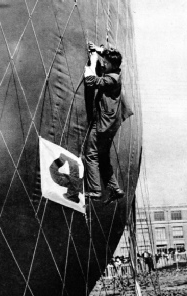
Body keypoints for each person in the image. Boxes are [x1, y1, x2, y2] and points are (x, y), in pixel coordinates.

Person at [83, 42, 128, 203]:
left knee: (91, 154)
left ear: (111, 64)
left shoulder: (111, 79)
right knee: (103, 156)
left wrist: (93, 59)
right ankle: (115, 188)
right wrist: (99, 50)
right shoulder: (116, 71)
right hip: (111, 123)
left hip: (103, 123)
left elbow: (89, 80)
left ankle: (95, 190)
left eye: (105, 63)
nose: (104, 64)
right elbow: (110, 55)